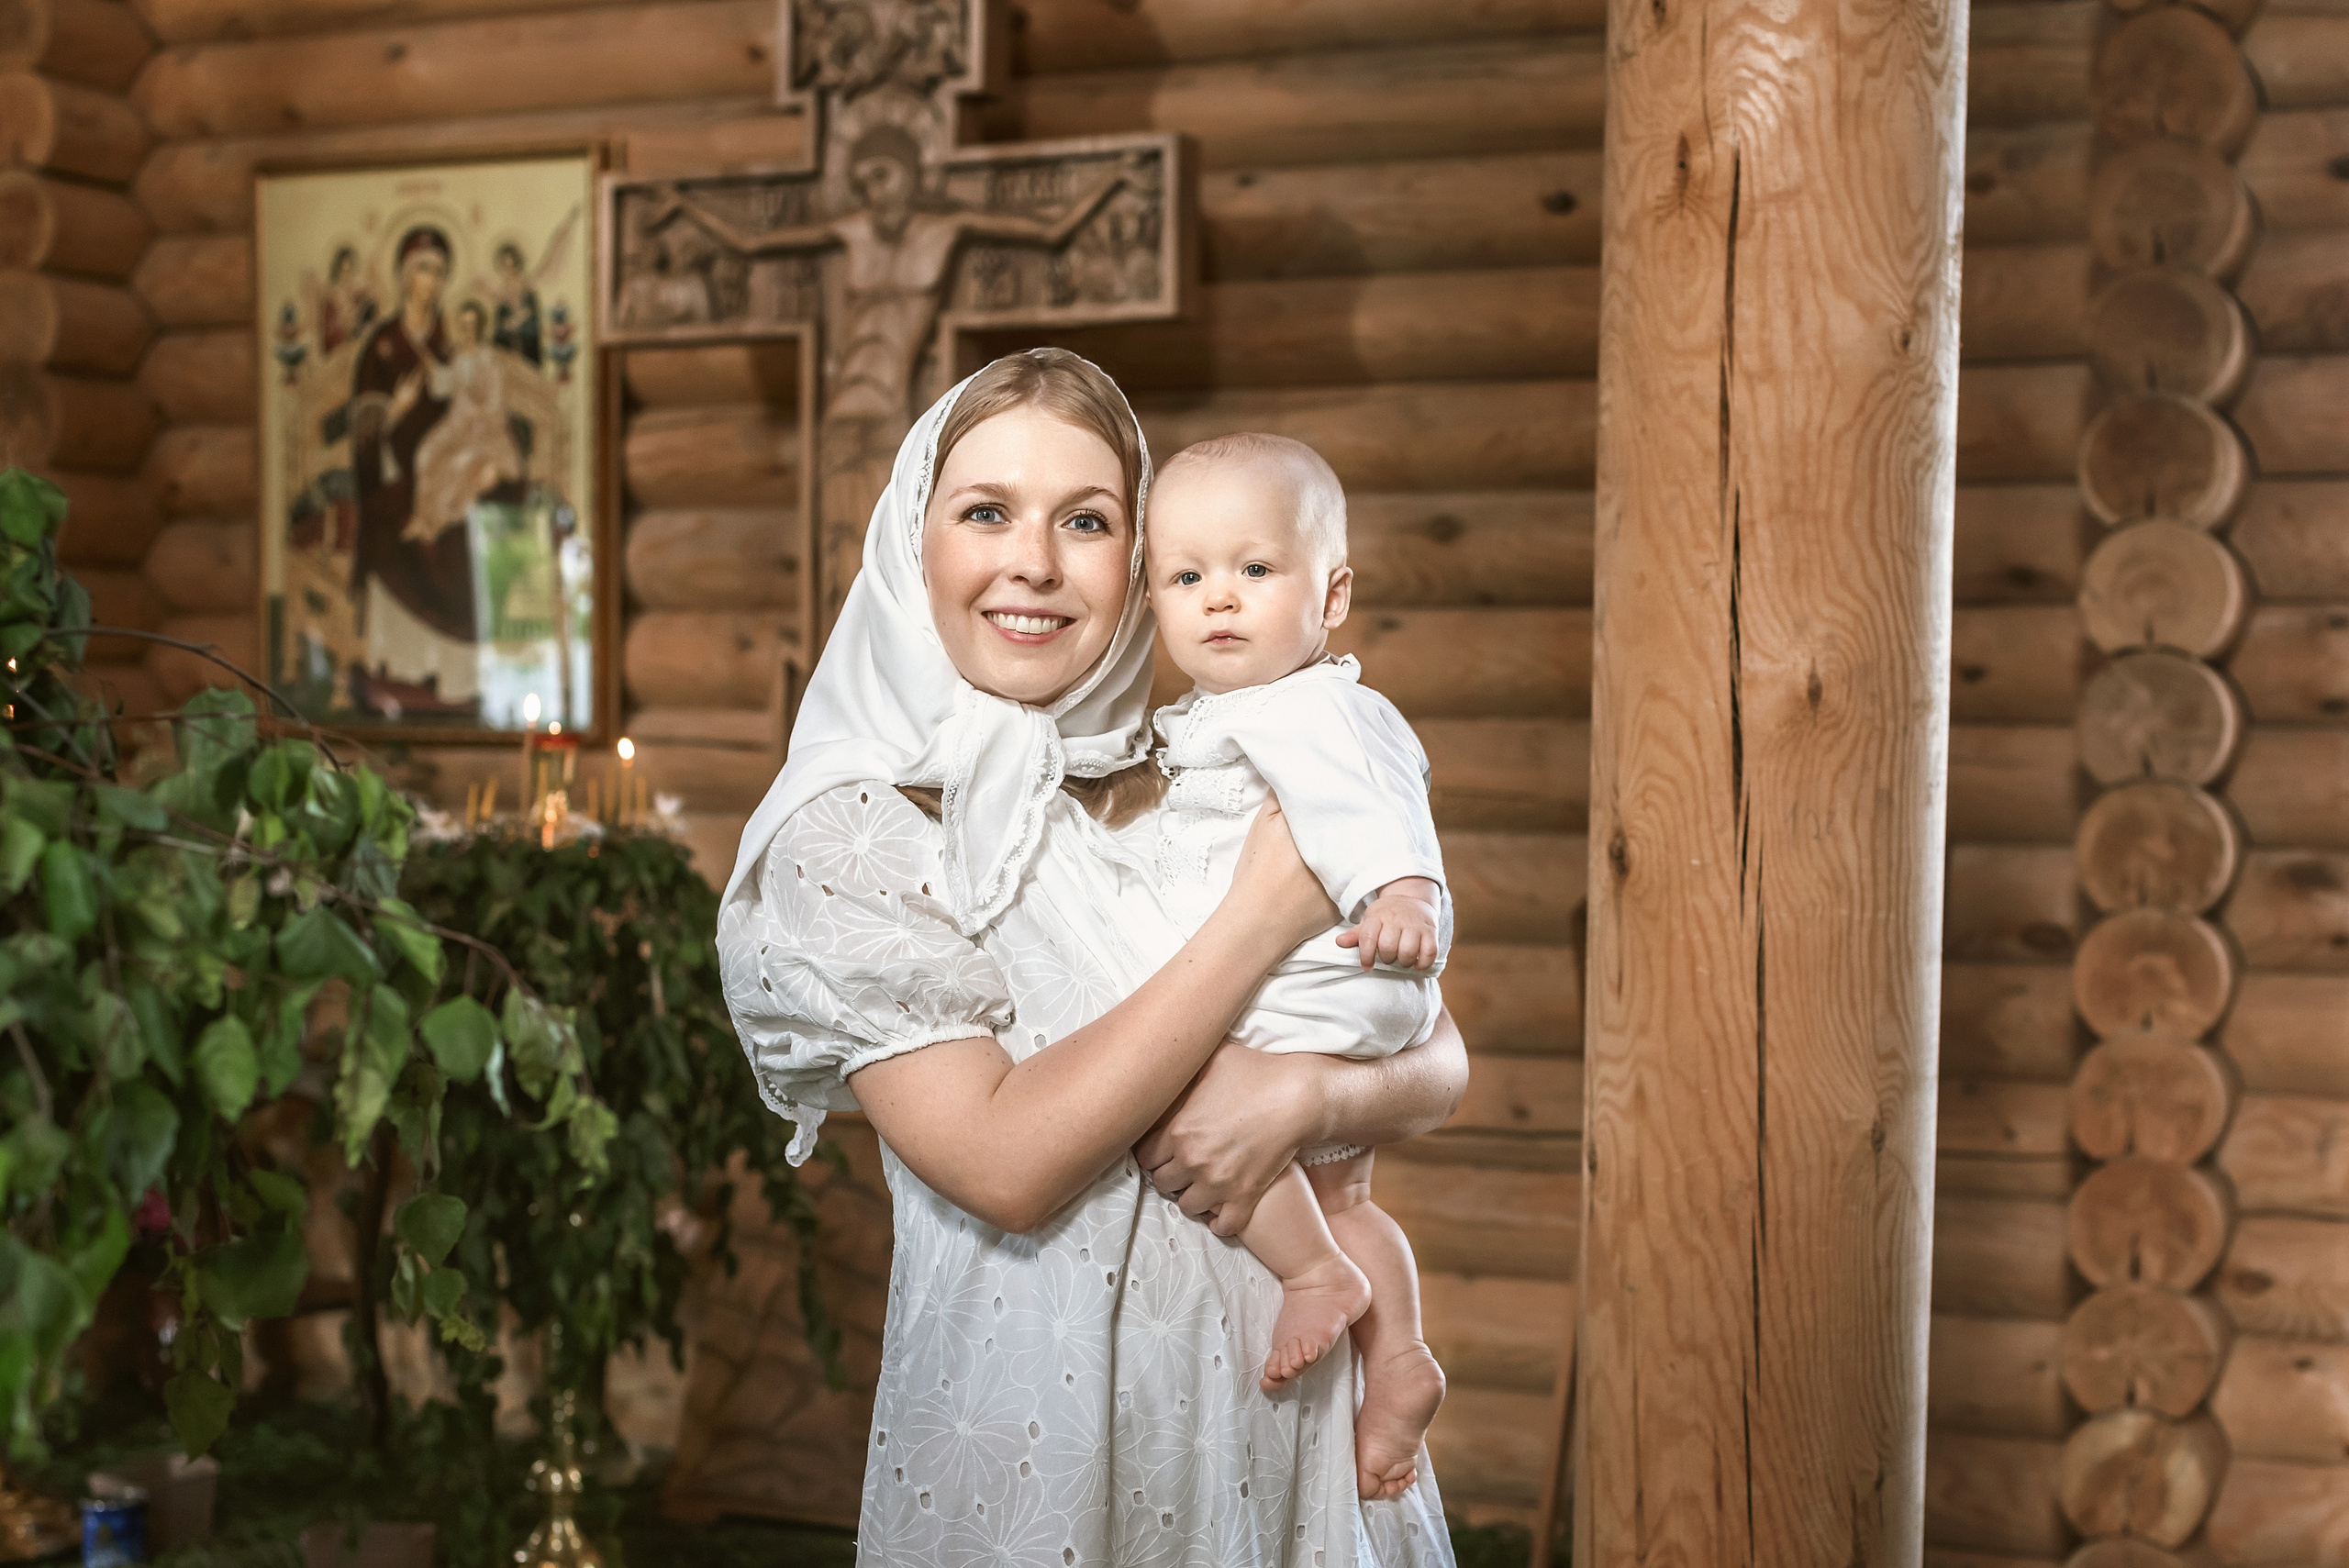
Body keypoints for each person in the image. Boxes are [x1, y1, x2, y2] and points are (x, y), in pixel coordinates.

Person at [718, 348, 1467, 1563]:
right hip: (1045, 1433)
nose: (1033, 561)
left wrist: (1307, 1096)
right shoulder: (852, 829)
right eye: (986, 512)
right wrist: (1260, 915)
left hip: (1287, 1419)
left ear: (1139, 560)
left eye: (1086, 519)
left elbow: (1435, 1050)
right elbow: (1003, 1164)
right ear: (913, 539)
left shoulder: (1206, 763)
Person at [1143, 432, 1451, 1502]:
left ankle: (1315, 1272)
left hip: (1323, 976)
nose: (1218, 598)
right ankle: (1400, 1354)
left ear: (1333, 596)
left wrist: (1405, 895)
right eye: (1186, 577)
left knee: (1181, 1087)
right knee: (1342, 1187)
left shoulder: (1312, 707)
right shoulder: (1236, 711)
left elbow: (1380, 802)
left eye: (1255, 568)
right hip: (1340, 984)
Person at [408, 301, 522, 541]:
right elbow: (444, 384)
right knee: (425, 454)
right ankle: (422, 517)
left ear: (479, 329)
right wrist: (430, 364)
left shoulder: (489, 362)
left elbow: (496, 406)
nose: (466, 332)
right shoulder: (459, 358)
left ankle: (439, 523)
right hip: (455, 427)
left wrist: (479, 412)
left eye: (471, 326)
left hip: (484, 433)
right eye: (462, 326)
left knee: (457, 465)